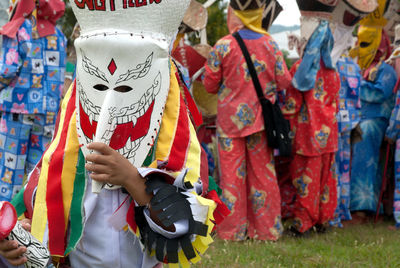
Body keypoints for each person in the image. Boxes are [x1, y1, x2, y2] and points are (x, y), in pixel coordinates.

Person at [0, 1, 221, 267]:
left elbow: (182, 225)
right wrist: (20, 241)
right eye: (98, 84)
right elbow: (45, 216)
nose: (108, 107)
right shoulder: (70, 147)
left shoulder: (169, 133)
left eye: (127, 86)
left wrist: (132, 179)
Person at [203, 0, 292, 241]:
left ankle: (232, 232)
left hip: (230, 124)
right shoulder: (271, 44)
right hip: (262, 122)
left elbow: (209, 85)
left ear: (236, 13)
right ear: (259, 13)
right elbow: (284, 81)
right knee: (263, 175)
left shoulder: (223, 46)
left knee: (231, 178)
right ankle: (267, 231)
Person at [282, 0, 340, 235]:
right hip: (329, 136)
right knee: (325, 178)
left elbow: (291, 107)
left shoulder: (301, 71)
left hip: (307, 137)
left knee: (305, 178)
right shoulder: (333, 71)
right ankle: (322, 220)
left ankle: (303, 223)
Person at [0, 0, 66, 202]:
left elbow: (7, 70)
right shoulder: (58, 34)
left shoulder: (19, 29)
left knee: (10, 170)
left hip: (17, 110)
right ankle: (33, 215)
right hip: (48, 111)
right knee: (37, 170)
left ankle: (6, 219)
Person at [328, 0, 377, 227]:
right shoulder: (353, 66)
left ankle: (330, 213)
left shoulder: (331, 63)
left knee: (331, 170)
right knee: (344, 171)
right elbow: (356, 100)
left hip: (329, 126)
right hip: (348, 127)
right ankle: (341, 212)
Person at [349, 0, 397, 221]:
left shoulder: (386, 69)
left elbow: (381, 93)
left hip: (377, 121)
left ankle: (362, 206)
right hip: (358, 118)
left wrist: (357, 83)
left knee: (364, 138)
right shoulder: (361, 67)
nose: (360, 46)